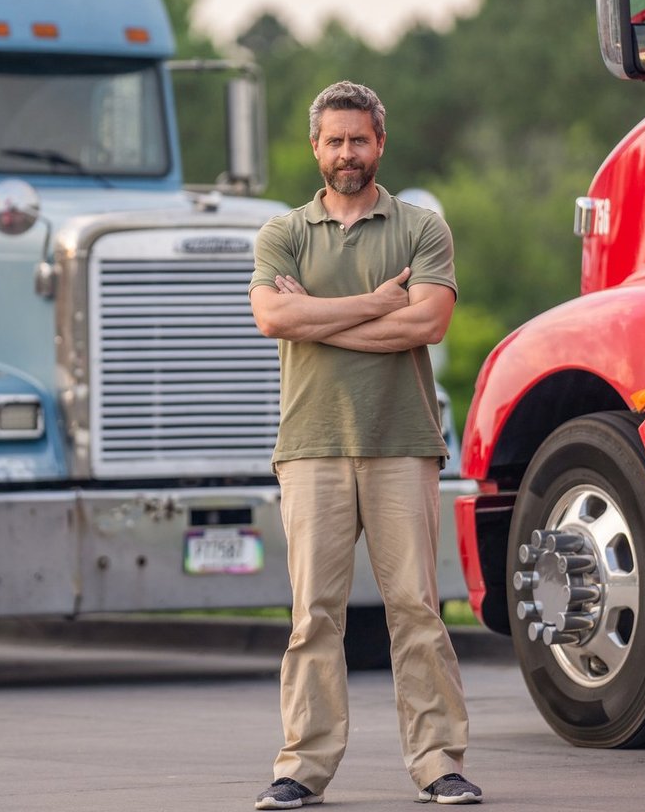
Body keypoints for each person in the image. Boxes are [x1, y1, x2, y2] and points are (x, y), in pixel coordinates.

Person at [249, 81, 482, 809]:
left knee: (415, 607)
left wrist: (316, 317)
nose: (347, 153)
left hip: (401, 442)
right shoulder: (281, 234)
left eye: (359, 139)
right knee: (313, 614)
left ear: (381, 142)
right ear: (315, 147)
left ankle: (439, 762)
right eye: (334, 140)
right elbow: (268, 317)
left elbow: (428, 325)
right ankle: (302, 769)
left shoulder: (420, 229)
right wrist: (376, 303)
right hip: (311, 444)